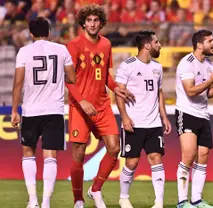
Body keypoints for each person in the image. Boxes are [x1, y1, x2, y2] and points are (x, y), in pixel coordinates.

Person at [65, 4, 133, 208]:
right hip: (80, 107)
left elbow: (104, 76)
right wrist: (82, 101)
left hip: (102, 106)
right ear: (83, 23)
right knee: (78, 152)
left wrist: (116, 88)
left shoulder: (106, 44)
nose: (93, 24)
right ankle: (78, 200)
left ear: (101, 23)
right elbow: (68, 80)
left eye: (96, 21)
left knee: (114, 148)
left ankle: (95, 189)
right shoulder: (74, 45)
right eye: (89, 21)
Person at [11, 17, 76, 208]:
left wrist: (15, 110)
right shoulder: (61, 49)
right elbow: (72, 78)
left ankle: (33, 201)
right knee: (51, 156)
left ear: (31, 34)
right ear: (49, 32)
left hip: (31, 110)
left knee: (28, 153)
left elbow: (18, 83)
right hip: (54, 110)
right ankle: (46, 202)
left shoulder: (24, 51)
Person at [175, 29, 213, 208]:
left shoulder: (208, 64)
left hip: (203, 114)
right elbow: (191, 91)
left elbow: (206, 94)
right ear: (199, 44)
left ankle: (197, 200)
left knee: (203, 156)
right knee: (189, 155)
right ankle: (182, 202)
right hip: (187, 113)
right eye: (210, 41)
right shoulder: (187, 63)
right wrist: (210, 81)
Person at [115, 29, 172, 208]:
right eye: (156, 42)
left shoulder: (157, 67)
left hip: (154, 123)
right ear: (147, 45)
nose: (159, 45)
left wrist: (164, 117)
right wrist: (124, 117)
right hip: (134, 122)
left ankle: (159, 202)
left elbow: (159, 92)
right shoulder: (127, 66)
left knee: (156, 158)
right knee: (131, 162)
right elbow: (118, 94)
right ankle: (123, 197)